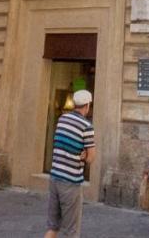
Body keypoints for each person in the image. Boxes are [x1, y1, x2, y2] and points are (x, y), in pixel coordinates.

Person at [44, 89, 96, 238]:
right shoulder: (86, 126)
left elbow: (62, 144)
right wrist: (83, 156)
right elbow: (91, 158)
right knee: (71, 231)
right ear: (87, 105)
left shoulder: (62, 119)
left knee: (53, 226)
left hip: (55, 177)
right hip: (70, 183)